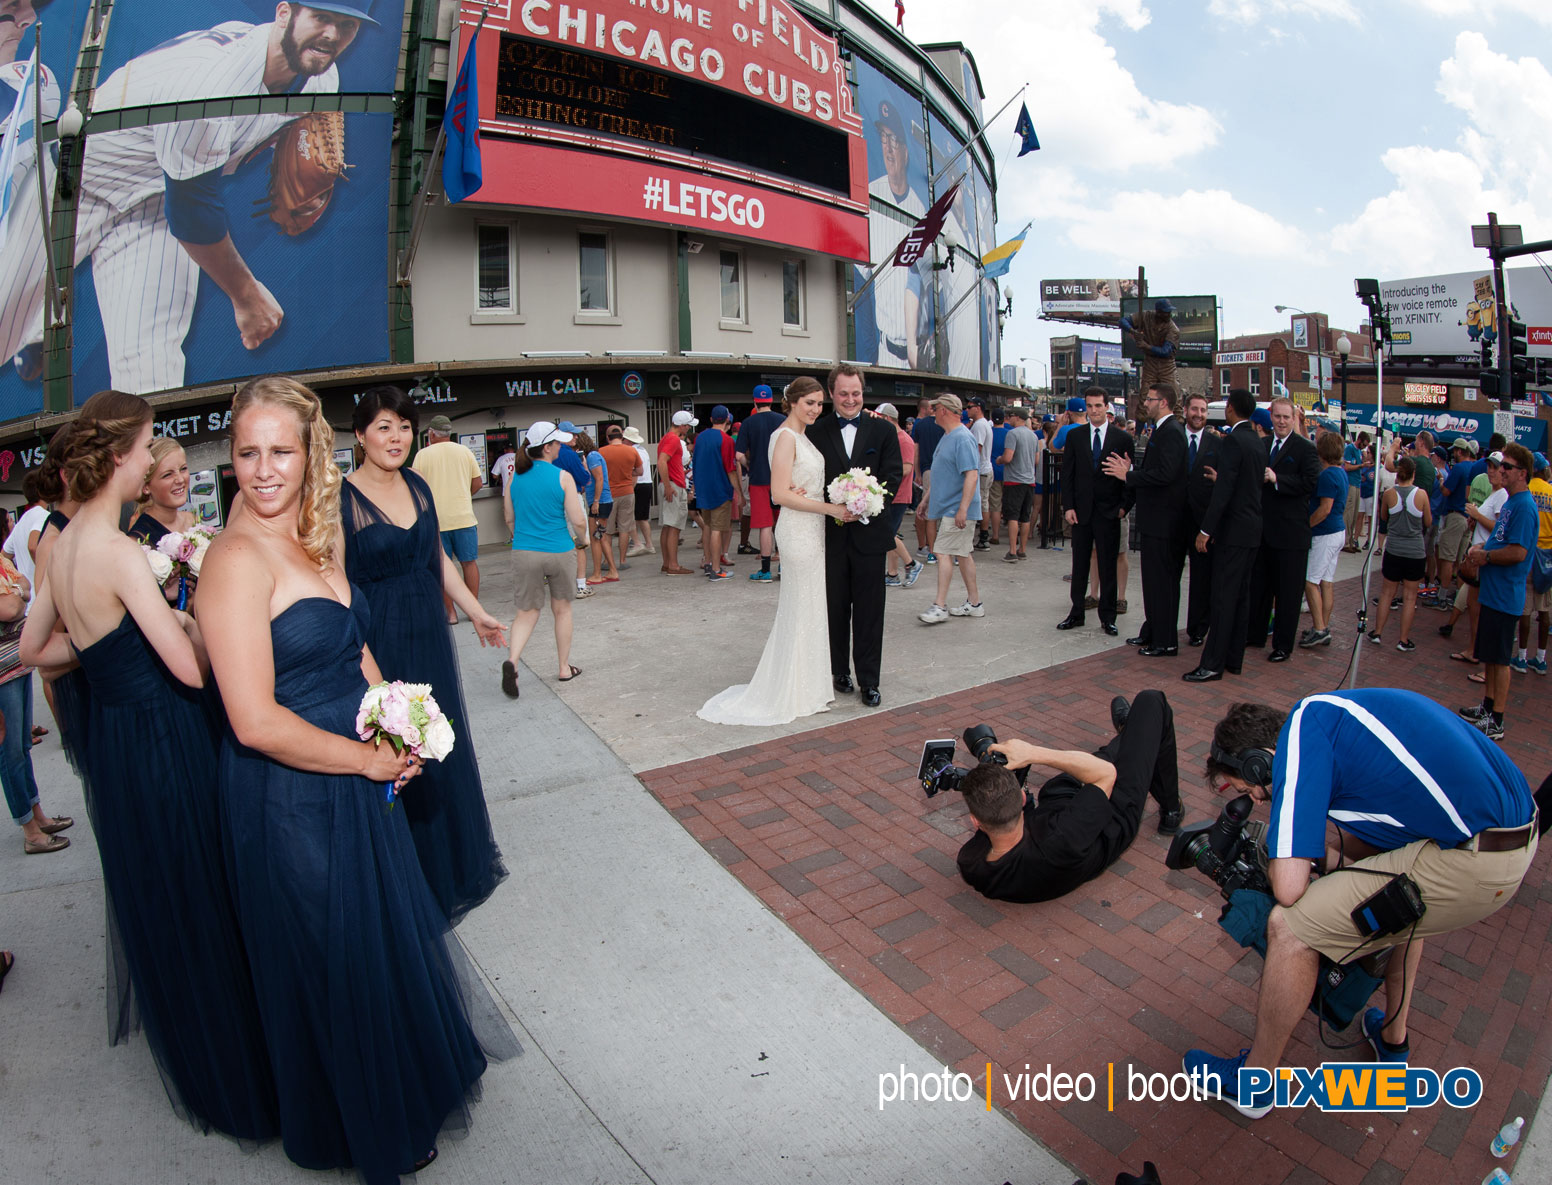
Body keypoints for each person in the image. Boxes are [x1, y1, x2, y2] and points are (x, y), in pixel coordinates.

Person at [200, 376, 485, 1178]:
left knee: (377, 940)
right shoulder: (232, 560)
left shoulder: (316, 538)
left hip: (357, 768)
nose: (263, 469)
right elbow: (252, 719)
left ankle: (390, 1088)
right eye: (247, 452)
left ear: (310, 453)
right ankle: (354, 1120)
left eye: (280, 450)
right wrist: (367, 757)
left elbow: (350, 643)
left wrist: (398, 717)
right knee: (333, 956)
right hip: (289, 791)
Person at [20, 388, 279, 1138]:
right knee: (203, 887)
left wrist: (107, 649)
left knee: (164, 887)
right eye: (147, 445)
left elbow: (38, 648)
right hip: (167, 735)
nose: (150, 457)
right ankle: (236, 1061)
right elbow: (194, 669)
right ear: (121, 456)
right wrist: (193, 618)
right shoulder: (119, 553)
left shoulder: (61, 544)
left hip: (119, 742)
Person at [1183, 690, 1537, 1118]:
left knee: (1290, 927)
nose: (1258, 801)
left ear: (1261, 760)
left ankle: (1255, 1085)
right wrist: (1316, 855)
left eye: (1250, 788)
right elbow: (1364, 860)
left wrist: (1277, 846)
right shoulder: (1337, 723)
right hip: (1513, 838)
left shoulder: (1304, 729)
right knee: (1405, 905)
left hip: (1475, 863)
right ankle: (1393, 1042)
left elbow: (1289, 889)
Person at [0, 3, 371, 394]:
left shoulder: (321, 80)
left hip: (154, 202)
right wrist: (247, 297)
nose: (332, 34)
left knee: (153, 377)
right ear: (284, 13)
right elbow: (193, 211)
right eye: (322, 18)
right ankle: (33, 319)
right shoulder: (212, 80)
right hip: (74, 184)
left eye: (347, 25)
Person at [342, 384, 509, 924]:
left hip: (430, 634)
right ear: (360, 435)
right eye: (384, 427)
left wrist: (476, 610)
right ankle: (404, 884)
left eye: (404, 426)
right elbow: (335, 588)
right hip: (380, 642)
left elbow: (436, 556)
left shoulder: (418, 485)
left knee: (438, 748)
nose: (396, 437)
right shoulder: (338, 499)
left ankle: (446, 869)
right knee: (396, 750)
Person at [698, 378, 854, 726]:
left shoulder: (800, 437)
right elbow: (778, 495)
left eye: (819, 404)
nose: (815, 409)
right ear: (793, 402)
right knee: (801, 607)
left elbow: (793, 486)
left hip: (812, 530)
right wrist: (831, 508)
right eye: (809, 403)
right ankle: (792, 690)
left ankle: (809, 689)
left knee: (812, 607)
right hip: (799, 533)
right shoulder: (784, 437)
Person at [956, 691, 1183, 903]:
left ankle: (1129, 733)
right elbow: (1106, 775)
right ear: (1023, 799)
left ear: (975, 821)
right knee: (1151, 702)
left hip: (1059, 803)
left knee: (1095, 762)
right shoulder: (1062, 838)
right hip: (1113, 816)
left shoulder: (971, 863)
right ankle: (1171, 809)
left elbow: (997, 820)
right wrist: (1033, 753)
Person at [812, 364, 903, 704]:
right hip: (831, 538)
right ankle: (839, 671)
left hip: (870, 537)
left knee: (869, 611)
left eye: (856, 393)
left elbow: (892, 477)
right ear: (831, 394)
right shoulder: (816, 431)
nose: (850, 400)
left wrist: (866, 503)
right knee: (835, 608)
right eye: (843, 393)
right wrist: (836, 504)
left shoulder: (882, 432)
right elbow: (810, 482)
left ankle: (869, 680)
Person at [1184, 388, 1264, 682]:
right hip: (1251, 530)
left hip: (1233, 531)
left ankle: (1212, 663)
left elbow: (1225, 491)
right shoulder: (1256, 441)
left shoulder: (1233, 441)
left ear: (1230, 408)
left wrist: (1206, 529)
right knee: (1241, 597)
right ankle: (1233, 659)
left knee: (1222, 598)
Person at [1460, 443, 1538, 741]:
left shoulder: (1524, 507)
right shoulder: (1510, 503)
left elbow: (1518, 552)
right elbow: (1500, 539)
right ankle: (1488, 708)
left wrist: (1486, 557)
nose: (1500, 470)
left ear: (1522, 473)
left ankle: (1498, 719)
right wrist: (1483, 548)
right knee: (1491, 656)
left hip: (1506, 594)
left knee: (1501, 659)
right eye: (1500, 465)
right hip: (1493, 591)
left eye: (1506, 466)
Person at [1106, 383, 1186, 655]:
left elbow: (1166, 474)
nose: (1145, 404)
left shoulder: (1172, 432)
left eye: (1149, 399)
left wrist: (1128, 476)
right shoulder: (1162, 430)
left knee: (1162, 582)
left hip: (1166, 523)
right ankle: (1152, 631)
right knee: (1152, 581)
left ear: (1163, 402)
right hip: (1156, 521)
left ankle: (1165, 641)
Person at [0, 549, 70, 853]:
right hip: (3, 673)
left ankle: (37, 815)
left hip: (14, 664)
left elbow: (23, 588)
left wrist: (16, 593)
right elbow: (11, 607)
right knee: (10, 752)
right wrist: (17, 593)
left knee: (23, 747)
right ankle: (30, 830)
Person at [1248, 397, 1320, 662]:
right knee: (1259, 587)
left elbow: (1309, 483)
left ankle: (1282, 646)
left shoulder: (1305, 449)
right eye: (1277, 417)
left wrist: (1278, 479)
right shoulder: (1262, 444)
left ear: (1293, 419)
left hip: (1291, 535)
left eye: (1286, 417)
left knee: (1288, 594)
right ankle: (1254, 635)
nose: (1280, 421)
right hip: (1262, 531)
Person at [1057, 387, 1132, 636]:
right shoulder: (1076, 436)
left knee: (1108, 564)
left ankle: (1108, 616)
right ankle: (1076, 612)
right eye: (1089, 406)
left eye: (1098, 406)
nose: (1093, 410)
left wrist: (1123, 507)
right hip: (1081, 512)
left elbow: (1128, 477)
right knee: (1079, 564)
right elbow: (1067, 474)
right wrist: (1068, 506)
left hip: (1109, 512)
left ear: (1107, 407)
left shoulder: (1121, 438)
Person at [918, 394, 983, 626]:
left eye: (934, 408)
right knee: (963, 555)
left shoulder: (962, 438)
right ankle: (975, 604)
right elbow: (942, 473)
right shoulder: (949, 436)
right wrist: (927, 499)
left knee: (943, 552)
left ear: (944, 410)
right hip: (950, 507)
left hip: (956, 509)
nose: (931, 412)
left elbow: (972, 475)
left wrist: (962, 509)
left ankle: (940, 605)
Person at [411, 414, 484, 621]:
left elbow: (416, 488)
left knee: (443, 567)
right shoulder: (465, 451)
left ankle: (451, 613)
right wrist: (462, 496)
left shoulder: (422, 455)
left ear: (432, 433)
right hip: (464, 517)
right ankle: (473, 610)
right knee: (469, 563)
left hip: (436, 522)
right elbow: (477, 483)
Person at [1366, 454, 1431, 652]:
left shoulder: (1389, 494)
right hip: (1415, 551)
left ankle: (1377, 632)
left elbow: (1384, 517)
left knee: (1386, 593)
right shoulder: (1421, 495)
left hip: (1394, 548)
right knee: (1410, 597)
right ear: (1413, 474)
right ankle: (1403, 639)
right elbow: (1428, 522)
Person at [1299, 431, 1349, 649]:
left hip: (1325, 533)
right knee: (1326, 582)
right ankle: (1323, 626)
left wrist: (1306, 525)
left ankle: (1319, 628)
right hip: (1337, 531)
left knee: (1311, 581)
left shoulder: (1328, 475)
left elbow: (1325, 508)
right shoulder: (1341, 472)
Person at [1181, 393, 1220, 647]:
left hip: (1202, 524)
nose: (1199, 414)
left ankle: (1197, 629)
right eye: (1194, 409)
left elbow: (1222, 489)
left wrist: (1210, 527)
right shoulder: (1173, 438)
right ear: (1185, 410)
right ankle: (1157, 626)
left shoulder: (1217, 445)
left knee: (1201, 579)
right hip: (1173, 519)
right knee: (1166, 577)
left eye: (1203, 410)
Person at [735, 386, 784, 583]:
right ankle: (783, 567)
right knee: (782, 524)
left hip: (758, 480)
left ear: (755, 402)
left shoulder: (748, 423)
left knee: (765, 525)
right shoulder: (782, 420)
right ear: (772, 401)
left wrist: (751, 464)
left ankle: (765, 571)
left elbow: (739, 455)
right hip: (781, 480)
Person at [875, 403, 923, 588]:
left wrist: (881, 473)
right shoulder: (891, 437)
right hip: (890, 494)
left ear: (887, 419)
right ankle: (893, 573)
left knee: (886, 534)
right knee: (890, 534)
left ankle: (911, 563)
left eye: (879, 418)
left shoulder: (903, 440)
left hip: (899, 495)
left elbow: (907, 468)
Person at [128, 436, 198, 547]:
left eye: (183, 469)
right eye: (167, 475)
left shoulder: (192, 520)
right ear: (146, 486)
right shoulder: (137, 539)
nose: (180, 479)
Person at [692, 406, 737, 580]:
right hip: (720, 490)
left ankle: (708, 563)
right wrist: (738, 492)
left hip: (704, 490)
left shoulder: (700, 437)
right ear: (727, 420)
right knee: (718, 529)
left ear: (711, 419)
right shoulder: (726, 440)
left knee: (708, 526)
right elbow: (731, 470)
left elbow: (696, 462)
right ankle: (716, 570)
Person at [575, 432, 619, 586]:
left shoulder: (593, 456)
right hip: (602, 501)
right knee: (601, 537)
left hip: (600, 502)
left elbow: (599, 478)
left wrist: (595, 501)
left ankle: (597, 574)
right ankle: (612, 570)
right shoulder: (593, 456)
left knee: (596, 538)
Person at [599, 425, 642, 574]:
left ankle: (606, 560)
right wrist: (629, 472)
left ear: (608, 437)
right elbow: (640, 471)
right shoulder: (632, 450)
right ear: (621, 437)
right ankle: (623, 561)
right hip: (627, 491)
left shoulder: (601, 452)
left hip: (608, 494)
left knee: (608, 529)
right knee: (625, 527)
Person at [657, 411, 696, 574]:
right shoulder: (673, 439)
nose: (688, 428)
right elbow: (662, 462)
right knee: (674, 526)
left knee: (668, 526)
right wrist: (668, 486)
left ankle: (667, 563)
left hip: (670, 483)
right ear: (682, 425)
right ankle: (673, 565)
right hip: (673, 484)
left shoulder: (667, 438)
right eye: (688, 425)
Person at [999, 406, 1040, 561]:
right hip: (1030, 480)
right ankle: (1022, 549)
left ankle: (1012, 551)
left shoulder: (1012, 434)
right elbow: (1036, 460)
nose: (1008, 418)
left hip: (1014, 480)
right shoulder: (1033, 436)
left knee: (1012, 517)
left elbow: (1008, 457)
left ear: (1017, 417)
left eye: (1010, 416)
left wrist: (1000, 459)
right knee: (1025, 517)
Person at [910, 396, 946, 562]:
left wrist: (917, 472)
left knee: (929, 512)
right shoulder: (945, 425)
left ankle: (931, 551)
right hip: (946, 471)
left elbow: (915, 451)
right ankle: (947, 551)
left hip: (927, 471)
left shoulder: (919, 426)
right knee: (947, 513)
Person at [1119, 299, 1179, 395]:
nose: (1169, 314)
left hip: (1166, 365)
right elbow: (1122, 321)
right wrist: (1133, 332)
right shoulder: (1146, 316)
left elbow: (1165, 352)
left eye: (1169, 312)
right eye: (1166, 312)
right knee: (1145, 396)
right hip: (1150, 361)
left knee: (1173, 396)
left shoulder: (1173, 329)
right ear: (1158, 312)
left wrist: (1146, 346)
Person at [623, 426, 656, 557]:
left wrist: (629, 489)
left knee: (630, 516)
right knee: (642, 517)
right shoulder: (643, 450)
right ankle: (648, 544)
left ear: (627, 440)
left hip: (637, 484)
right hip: (647, 484)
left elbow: (635, 472)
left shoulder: (631, 451)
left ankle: (638, 543)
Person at [966, 397, 994, 551]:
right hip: (985, 469)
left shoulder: (979, 426)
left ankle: (984, 537)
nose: (967, 409)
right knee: (983, 502)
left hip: (981, 471)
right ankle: (983, 536)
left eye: (969, 407)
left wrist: (971, 471)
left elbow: (976, 449)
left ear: (978, 408)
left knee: (981, 503)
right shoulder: (981, 424)